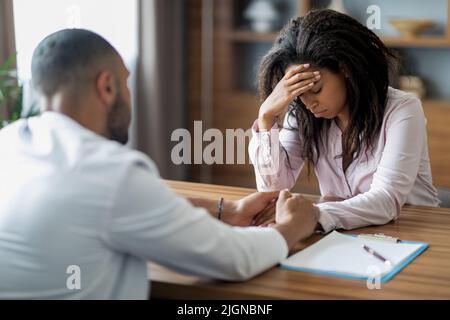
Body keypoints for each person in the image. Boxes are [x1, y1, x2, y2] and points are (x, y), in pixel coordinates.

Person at [0, 29, 318, 299]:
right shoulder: (113, 173)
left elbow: (123, 202)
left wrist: (227, 211)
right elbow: (233, 259)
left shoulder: (9, 143)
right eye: (127, 82)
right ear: (106, 86)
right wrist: (292, 226)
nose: (130, 93)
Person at [249, 10, 440, 234]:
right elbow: (274, 189)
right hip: (341, 234)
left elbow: (386, 199)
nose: (309, 103)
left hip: (413, 231)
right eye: (300, 95)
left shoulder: (403, 110)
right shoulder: (303, 112)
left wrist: (314, 214)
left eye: (316, 89)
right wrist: (266, 119)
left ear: (345, 69)